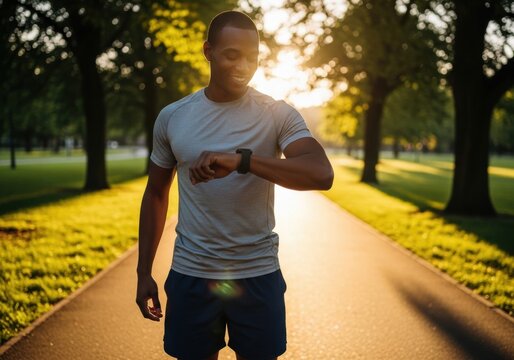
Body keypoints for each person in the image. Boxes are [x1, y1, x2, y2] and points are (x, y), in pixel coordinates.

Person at [136, 10, 334, 360]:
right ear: (208, 51)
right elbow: (155, 193)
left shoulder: (277, 113)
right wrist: (143, 273)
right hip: (192, 274)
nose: (244, 66)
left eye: (253, 58)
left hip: (257, 275)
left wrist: (242, 160)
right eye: (232, 55)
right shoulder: (173, 117)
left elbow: (321, 173)